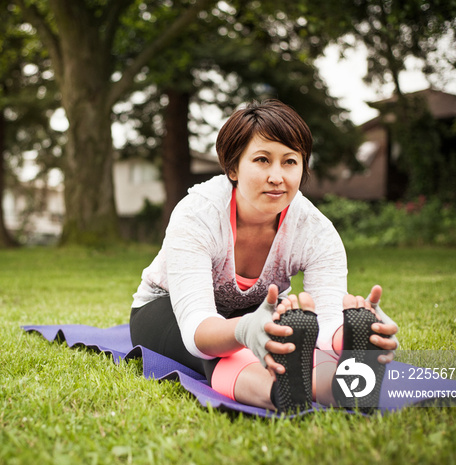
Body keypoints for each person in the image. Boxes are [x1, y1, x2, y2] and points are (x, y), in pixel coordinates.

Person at [129, 100, 398, 412]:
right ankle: (278, 393)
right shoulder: (197, 214)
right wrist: (243, 330)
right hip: (167, 308)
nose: (277, 177)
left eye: (289, 162)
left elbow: (325, 317)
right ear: (232, 168)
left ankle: (346, 388)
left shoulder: (316, 231)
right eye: (262, 160)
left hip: (260, 310)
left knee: (300, 342)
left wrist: (345, 335)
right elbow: (196, 327)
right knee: (220, 352)